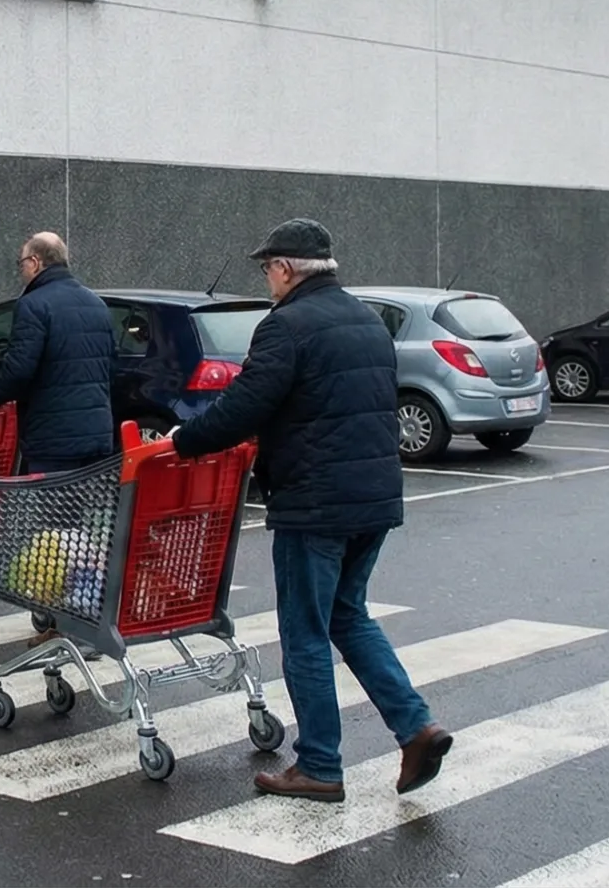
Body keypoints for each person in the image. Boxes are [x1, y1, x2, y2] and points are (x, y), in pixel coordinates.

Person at [168, 218, 451, 803]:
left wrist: (184, 440)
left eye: (266, 269)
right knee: (348, 615)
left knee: (303, 632)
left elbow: (246, 404)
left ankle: (320, 763)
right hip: (374, 495)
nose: (267, 280)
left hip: (315, 501)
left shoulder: (286, 325)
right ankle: (416, 727)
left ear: (284, 268)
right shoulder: (366, 320)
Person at [0, 231, 117, 640]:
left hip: (54, 438)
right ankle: (86, 610)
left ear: (36, 262)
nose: (21, 270)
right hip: (96, 435)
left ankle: (63, 623)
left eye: (22, 263)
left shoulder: (33, 305)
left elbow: (20, 369)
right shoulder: (96, 303)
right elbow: (110, 366)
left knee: (56, 533)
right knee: (86, 534)